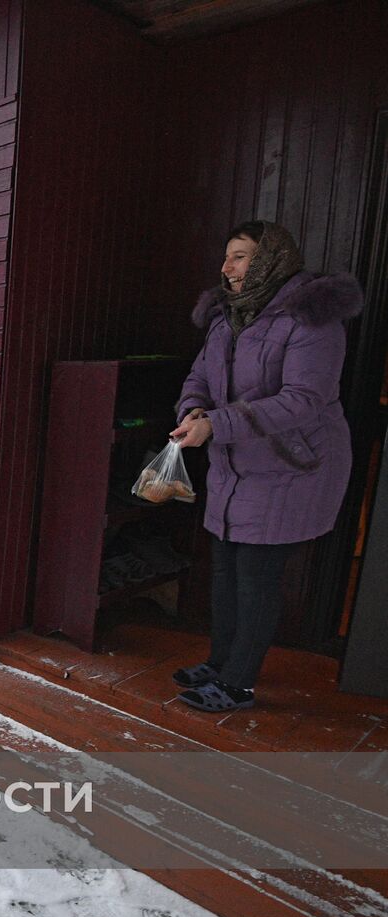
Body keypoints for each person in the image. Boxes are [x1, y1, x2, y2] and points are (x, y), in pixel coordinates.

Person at [169, 220, 362, 712]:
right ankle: (220, 662)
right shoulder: (226, 317)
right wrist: (193, 409)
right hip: (235, 464)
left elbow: (305, 399)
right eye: (227, 256)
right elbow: (200, 376)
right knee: (227, 571)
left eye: (239, 256)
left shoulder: (310, 319)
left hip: (291, 465)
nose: (225, 267)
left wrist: (218, 423)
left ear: (271, 258)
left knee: (256, 577)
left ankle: (238, 683)